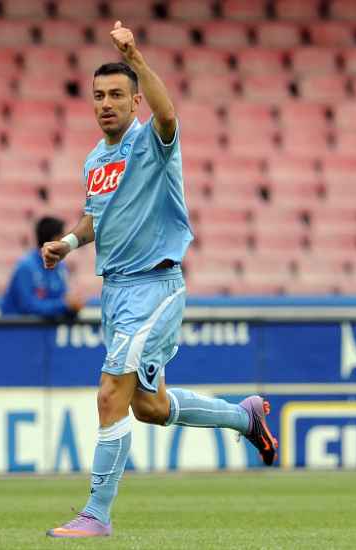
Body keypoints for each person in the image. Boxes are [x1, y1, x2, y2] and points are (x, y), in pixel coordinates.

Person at [43, 21, 278, 538]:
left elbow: (168, 113)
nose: (106, 103)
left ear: (133, 102)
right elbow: (95, 216)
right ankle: (245, 419)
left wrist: (136, 57)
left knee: (110, 394)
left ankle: (96, 514)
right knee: (148, 406)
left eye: (117, 95)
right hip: (116, 290)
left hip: (154, 286)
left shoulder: (152, 141)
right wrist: (69, 242)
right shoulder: (95, 159)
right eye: (99, 95)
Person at [1, 216, 84, 318]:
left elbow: (62, 299)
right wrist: (64, 305)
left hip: (45, 331)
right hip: (15, 331)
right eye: (63, 237)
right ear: (54, 239)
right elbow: (27, 306)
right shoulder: (26, 267)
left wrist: (72, 306)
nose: (66, 242)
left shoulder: (60, 267)